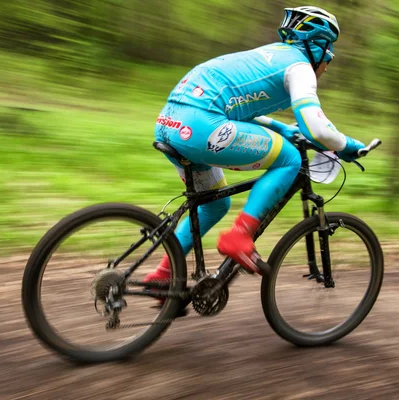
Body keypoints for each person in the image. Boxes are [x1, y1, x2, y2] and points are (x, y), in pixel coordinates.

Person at [145, 6, 365, 284]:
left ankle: (163, 275)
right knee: (289, 160)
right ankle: (239, 236)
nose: (326, 66)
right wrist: (348, 145)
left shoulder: (270, 55)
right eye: (329, 56)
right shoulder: (300, 67)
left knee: (215, 205)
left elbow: (237, 104)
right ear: (318, 46)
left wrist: (280, 127)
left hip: (169, 124)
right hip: (202, 127)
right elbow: (317, 128)